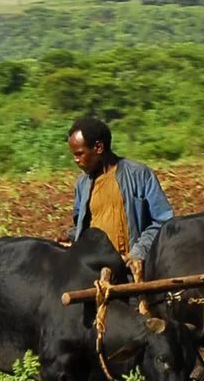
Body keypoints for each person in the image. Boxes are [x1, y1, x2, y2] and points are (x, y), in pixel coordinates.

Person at [65, 116, 174, 278]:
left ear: (99, 147)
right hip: (96, 274)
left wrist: (139, 252)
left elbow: (163, 221)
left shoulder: (139, 175)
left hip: (133, 272)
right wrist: (71, 236)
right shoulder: (82, 184)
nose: (76, 160)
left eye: (80, 154)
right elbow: (88, 226)